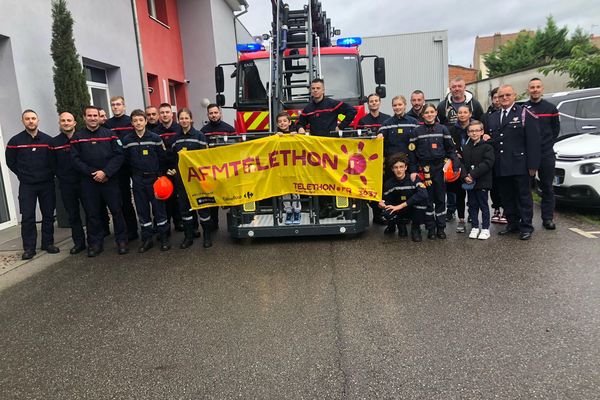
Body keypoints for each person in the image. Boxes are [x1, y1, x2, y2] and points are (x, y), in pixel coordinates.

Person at [70, 106, 128, 256]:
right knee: (92, 214)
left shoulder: (110, 134)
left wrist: (106, 172)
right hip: (89, 182)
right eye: (89, 115)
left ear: (100, 117)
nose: (93, 118)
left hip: (109, 180)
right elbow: (75, 160)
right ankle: (95, 244)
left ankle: (122, 241)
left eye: (95, 115)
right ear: (84, 118)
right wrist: (92, 173)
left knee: (117, 211)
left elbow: (119, 155)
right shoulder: (77, 137)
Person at [486, 85, 541, 240]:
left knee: (523, 196)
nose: (504, 98)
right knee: (506, 196)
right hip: (501, 164)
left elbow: (533, 141)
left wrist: (533, 165)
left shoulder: (524, 113)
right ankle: (512, 224)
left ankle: (526, 226)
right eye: (501, 96)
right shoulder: (494, 117)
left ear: (514, 96)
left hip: (520, 163)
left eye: (507, 95)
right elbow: (495, 141)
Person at [5, 109, 59, 260]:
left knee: (48, 215)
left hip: (46, 183)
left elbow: (54, 161)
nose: (30, 121)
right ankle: (29, 248)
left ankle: (48, 243)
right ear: (23, 121)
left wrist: (50, 173)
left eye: (33, 118)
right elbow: (11, 162)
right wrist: (22, 174)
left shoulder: (48, 141)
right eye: (27, 118)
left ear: (38, 120)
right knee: (28, 217)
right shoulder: (15, 141)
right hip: (27, 185)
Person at [122, 109, 170, 253]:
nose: (138, 123)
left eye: (140, 120)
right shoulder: (127, 140)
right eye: (135, 120)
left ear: (146, 121)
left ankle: (164, 238)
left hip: (154, 179)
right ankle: (147, 239)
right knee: (142, 211)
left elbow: (163, 158)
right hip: (137, 180)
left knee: (159, 210)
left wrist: (161, 176)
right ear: (132, 123)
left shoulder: (155, 138)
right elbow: (126, 161)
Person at [408, 103, 458, 240]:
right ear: (422, 115)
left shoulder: (443, 129)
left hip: (439, 169)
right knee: (427, 200)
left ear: (436, 113)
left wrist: (455, 166)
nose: (429, 114)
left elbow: (451, 150)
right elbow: (411, 154)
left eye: (432, 112)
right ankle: (431, 228)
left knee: (441, 199)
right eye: (426, 112)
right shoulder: (416, 132)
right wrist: (412, 171)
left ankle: (441, 228)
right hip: (424, 170)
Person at [170, 108, 213, 248]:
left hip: (197, 179)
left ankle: (207, 236)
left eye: (186, 118)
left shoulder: (199, 136)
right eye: (181, 118)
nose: (184, 121)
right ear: (178, 120)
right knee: (185, 209)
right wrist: (172, 169)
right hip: (182, 180)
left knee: (203, 208)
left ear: (191, 119)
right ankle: (188, 237)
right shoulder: (175, 138)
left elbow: (205, 157)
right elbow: (172, 157)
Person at [525, 77, 560, 230]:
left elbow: (555, 130)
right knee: (525, 188)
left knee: (547, 187)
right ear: (528, 90)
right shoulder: (524, 108)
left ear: (542, 89)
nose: (535, 90)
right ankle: (526, 220)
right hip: (527, 154)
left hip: (546, 154)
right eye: (532, 87)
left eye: (538, 87)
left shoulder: (551, 108)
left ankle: (547, 219)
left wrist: (546, 144)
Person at [51, 112, 87, 254]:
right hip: (66, 184)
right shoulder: (54, 143)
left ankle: (94, 240)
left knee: (91, 212)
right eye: (63, 120)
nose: (66, 123)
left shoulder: (82, 138)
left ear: (74, 123)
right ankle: (79, 243)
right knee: (73, 215)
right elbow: (52, 164)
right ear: (60, 123)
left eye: (69, 120)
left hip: (84, 182)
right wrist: (61, 176)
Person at [104, 96, 138, 241]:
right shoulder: (107, 124)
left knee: (140, 196)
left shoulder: (130, 122)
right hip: (117, 168)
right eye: (113, 105)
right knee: (123, 199)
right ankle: (129, 230)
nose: (116, 107)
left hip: (132, 164)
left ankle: (140, 227)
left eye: (118, 104)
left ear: (124, 106)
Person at [200, 104, 236, 230]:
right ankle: (213, 224)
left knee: (230, 197)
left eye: (216, 112)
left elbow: (235, 149)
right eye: (211, 113)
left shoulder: (230, 129)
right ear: (208, 115)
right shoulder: (203, 131)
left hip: (226, 170)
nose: (213, 115)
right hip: (211, 171)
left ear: (220, 113)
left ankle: (234, 223)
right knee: (212, 198)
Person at [379, 153, 428, 242]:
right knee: (386, 213)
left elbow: (423, 194)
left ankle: (415, 229)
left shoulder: (413, 179)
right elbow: (387, 200)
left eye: (401, 167)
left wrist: (401, 205)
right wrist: (382, 204)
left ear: (406, 167)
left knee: (423, 202)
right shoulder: (388, 184)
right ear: (392, 169)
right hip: (399, 210)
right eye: (396, 167)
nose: (399, 170)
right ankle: (398, 225)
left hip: (412, 208)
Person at [357, 93, 390, 225]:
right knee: (372, 187)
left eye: (376, 101)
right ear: (368, 104)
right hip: (369, 161)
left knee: (385, 187)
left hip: (385, 158)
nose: (374, 103)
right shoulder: (362, 121)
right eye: (371, 101)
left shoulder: (388, 120)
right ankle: (376, 215)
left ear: (380, 102)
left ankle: (387, 213)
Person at [461, 120, 495, 240]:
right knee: (472, 205)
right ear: (468, 133)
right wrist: (465, 176)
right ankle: (475, 226)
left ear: (482, 132)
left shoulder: (487, 147)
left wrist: (472, 175)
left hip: (482, 181)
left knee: (483, 205)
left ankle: (485, 228)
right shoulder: (465, 148)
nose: (474, 133)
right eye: (471, 131)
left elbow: (488, 163)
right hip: (469, 182)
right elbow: (462, 164)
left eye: (477, 130)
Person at [155, 103, 184, 233]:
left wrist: (175, 168)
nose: (165, 114)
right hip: (162, 169)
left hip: (177, 168)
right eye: (162, 112)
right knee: (164, 198)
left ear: (171, 113)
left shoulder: (179, 129)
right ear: (159, 115)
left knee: (178, 198)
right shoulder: (155, 132)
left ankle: (179, 222)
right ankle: (165, 225)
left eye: (167, 112)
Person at [482, 87, 506, 224]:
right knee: (494, 185)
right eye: (495, 97)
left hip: (506, 156)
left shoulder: (509, 115)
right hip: (492, 156)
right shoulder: (486, 117)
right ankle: (496, 208)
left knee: (506, 185)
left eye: (499, 97)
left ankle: (506, 210)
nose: (497, 100)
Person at [446, 105, 471, 232]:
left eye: (465, 112)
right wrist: (455, 153)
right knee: (460, 194)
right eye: (460, 112)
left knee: (473, 194)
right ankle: (461, 220)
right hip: (457, 165)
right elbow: (448, 146)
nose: (462, 115)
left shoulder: (474, 128)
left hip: (472, 164)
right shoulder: (451, 129)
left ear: (470, 114)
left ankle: (473, 217)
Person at [275, 112, 301, 224]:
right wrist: (276, 137)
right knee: (285, 190)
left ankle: (297, 212)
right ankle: (288, 212)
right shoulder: (276, 136)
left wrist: (297, 136)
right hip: (282, 167)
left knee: (296, 190)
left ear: (289, 122)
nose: (282, 123)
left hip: (295, 166)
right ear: (277, 124)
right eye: (280, 122)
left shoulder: (295, 133)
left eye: (285, 121)